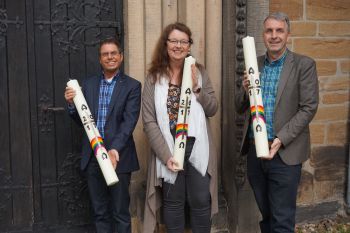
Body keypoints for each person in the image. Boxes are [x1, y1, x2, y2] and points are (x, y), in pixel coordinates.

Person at [235, 12, 319, 233]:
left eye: (279, 30)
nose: (274, 36)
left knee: (282, 220)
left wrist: (282, 138)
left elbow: (308, 107)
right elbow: (239, 106)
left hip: (285, 152)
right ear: (263, 35)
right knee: (267, 215)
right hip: (256, 151)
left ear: (288, 35)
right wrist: (245, 91)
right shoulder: (255, 63)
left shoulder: (304, 65)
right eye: (269, 31)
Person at [142, 22, 218, 233]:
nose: (178, 45)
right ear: (165, 44)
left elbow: (212, 108)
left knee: (201, 200)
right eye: (173, 41)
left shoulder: (200, 72)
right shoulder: (153, 78)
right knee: (173, 202)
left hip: (197, 147)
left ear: (189, 46)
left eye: (183, 41)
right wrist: (166, 155)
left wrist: (197, 87)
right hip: (167, 147)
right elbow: (148, 121)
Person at [64, 37, 141, 233]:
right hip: (92, 158)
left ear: (121, 57)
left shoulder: (132, 86)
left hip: (119, 157)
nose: (110, 57)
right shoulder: (88, 85)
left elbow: (129, 122)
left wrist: (114, 149)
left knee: (120, 213)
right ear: (100, 59)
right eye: (105, 54)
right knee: (100, 213)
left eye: (113, 53)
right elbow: (83, 122)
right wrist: (72, 105)